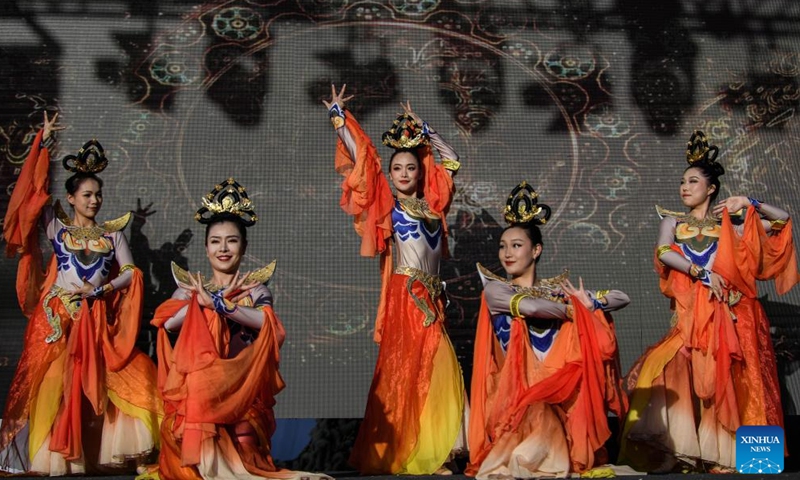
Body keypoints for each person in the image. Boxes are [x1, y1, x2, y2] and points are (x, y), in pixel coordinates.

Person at [619, 131, 799, 473]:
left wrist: (748, 202)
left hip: (734, 313)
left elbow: (782, 221)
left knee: (738, 382)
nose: (684, 187)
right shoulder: (673, 222)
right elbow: (664, 252)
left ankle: (743, 458)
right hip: (692, 314)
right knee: (662, 366)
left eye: (693, 181)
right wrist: (701, 272)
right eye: (682, 182)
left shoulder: (732, 224)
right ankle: (679, 449)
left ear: (711, 188)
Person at [0, 112, 161, 475]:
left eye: (98, 194)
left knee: (125, 377)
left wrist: (103, 288)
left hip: (95, 318)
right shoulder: (56, 228)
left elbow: (131, 273)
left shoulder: (112, 235)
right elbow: (32, 196)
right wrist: (42, 145)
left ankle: (122, 454)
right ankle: (53, 458)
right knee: (54, 385)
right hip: (58, 318)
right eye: (87, 195)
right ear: (71, 198)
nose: (95, 200)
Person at [324, 85, 465, 475]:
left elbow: (452, 160)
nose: (403, 173)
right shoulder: (390, 208)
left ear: (421, 172)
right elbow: (362, 160)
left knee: (434, 369)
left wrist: (427, 131)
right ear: (390, 174)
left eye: (411, 167)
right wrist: (339, 118)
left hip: (432, 297)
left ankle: (432, 451)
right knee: (413, 370)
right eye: (397, 168)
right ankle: (414, 452)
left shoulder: (434, 205)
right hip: (407, 295)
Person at [148, 178, 329, 480]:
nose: (223, 248)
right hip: (200, 394)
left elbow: (270, 325)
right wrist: (201, 303)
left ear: (244, 247)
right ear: (206, 248)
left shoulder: (255, 290)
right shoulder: (189, 290)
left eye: (231, 241)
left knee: (246, 455)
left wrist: (221, 305)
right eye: (216, 241)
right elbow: (167, 322)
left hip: (243, 393)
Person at [466, 182, 630, 479]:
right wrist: (574, 309)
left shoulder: (557, 292)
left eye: (516, 245)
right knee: (537, 412)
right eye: (503, 246)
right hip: (516, 401)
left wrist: (591, 302)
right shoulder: (496, 291)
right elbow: (531, 308)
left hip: (562, 398)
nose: (507, 253)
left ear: (536, 250)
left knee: (550, 413)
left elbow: (621, 297)